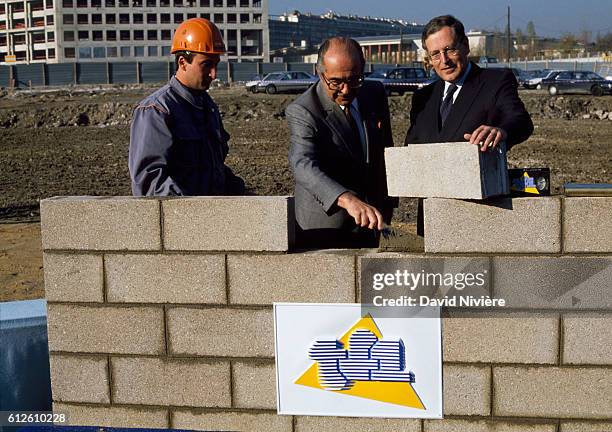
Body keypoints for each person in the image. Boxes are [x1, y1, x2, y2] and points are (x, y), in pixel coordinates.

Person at [405, 15, 534, 234]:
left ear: (465, 46)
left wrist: (501, 131)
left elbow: (520, 121)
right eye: (435, 54)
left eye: (450, 50)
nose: (444, 60)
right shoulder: (422, 98)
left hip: (477, 215)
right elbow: (412, 147)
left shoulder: (495, 81)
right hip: (431, 218)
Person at [287, 37, 397, 248]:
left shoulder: (374, 93)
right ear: (320, 74)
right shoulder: (303, 110)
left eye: (354, 80)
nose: (346, 90)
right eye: (336, 82)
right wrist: (347, 200)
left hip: (373, 221)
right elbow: (302, 164)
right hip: (325, 228)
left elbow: (385, 152)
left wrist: (388, 202)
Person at [129, 18, 244, 196]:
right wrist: (192, 214)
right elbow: (150, 184)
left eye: (216, 64)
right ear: (182, 62)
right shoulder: (157, 110)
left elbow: (213, 168)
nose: (214, 74)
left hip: (211, 217)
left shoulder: (207, 106)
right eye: (206, 64)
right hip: (182, 220)